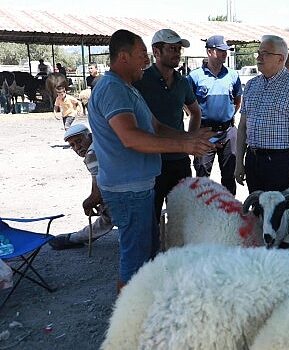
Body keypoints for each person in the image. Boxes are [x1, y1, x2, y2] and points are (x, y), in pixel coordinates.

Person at [88, 29, 215, 288]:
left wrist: (187, 140)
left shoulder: (128, 87)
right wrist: (185, 143)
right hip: (128, 189)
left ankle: (144, 306)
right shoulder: (113, 88)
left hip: (139, 185)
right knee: (135, 260)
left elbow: (155, 126)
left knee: (146, 252)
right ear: (123, 57)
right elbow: (130, 137)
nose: (144, 61)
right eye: (140, 55)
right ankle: (130, 318)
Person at [133, 29, 201, 223]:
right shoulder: (140, 81)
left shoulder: (183, 82)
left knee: (183, 218)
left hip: (179, 161)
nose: (177, 53)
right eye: (172, 49)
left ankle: (178, 253)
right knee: (149, 219)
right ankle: (152, 253)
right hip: (150, 162)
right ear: (156, 52)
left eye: (178, 49)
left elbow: (195, 111)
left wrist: (192, 139)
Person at [235, 35, 289, 193]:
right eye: (259, 53)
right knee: (257, 210)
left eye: (265, 53)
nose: (259, 57)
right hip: (253, 160)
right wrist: (239, 162)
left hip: (280, 163)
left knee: (278, 213)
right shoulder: (251, 85)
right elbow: (242, 127)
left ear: (280, 59)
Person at [187, 35, 242, 195]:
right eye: (221, 51)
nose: (225, 54)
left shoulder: (233, 75)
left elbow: (238, 101)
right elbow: (187, 102)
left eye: (226, 51)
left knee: (230, 174)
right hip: (204, 132)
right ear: (209, 51)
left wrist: (226, 117)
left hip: (228, 131)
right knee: (202, 174)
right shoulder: (195, 76)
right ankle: (203, 211)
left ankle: (229, 212)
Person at [49, 124, 114, 250]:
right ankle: (77, 238)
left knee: (109, 216)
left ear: (89, 136)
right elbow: (97, 184)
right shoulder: (100, 144)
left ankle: (75, 239)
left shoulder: (92, 154)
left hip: (124, 194)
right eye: (72, 145)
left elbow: (98, 192)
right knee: (107, 216)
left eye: (79, 141)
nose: (77, 147)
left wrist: (88, 204)